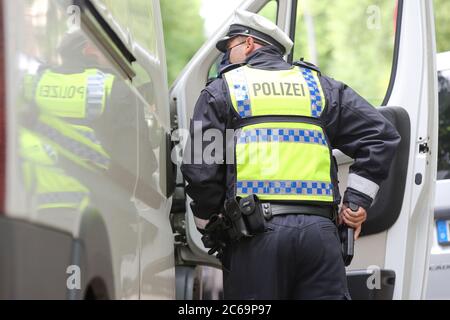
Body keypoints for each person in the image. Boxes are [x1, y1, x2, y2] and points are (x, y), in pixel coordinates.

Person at [181, 9, 401, 300]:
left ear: (248, 44)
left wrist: (210, 222)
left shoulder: (223, 90)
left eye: (229, 47)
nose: (226, 57)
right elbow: (381, 135)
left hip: (255, 238)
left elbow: (200, 169)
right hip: (321, 238)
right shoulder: (319, 88)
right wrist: (355, 204)